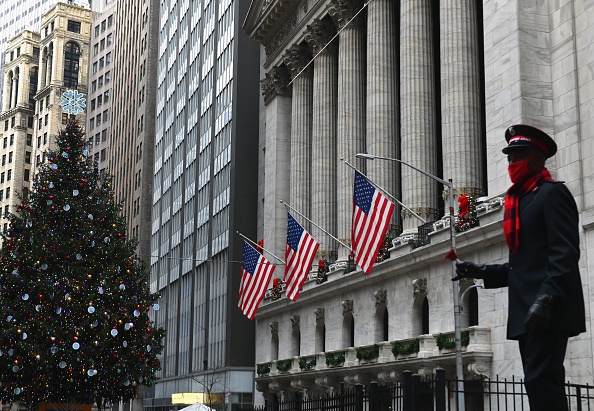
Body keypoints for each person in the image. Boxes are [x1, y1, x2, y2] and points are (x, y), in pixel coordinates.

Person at [453, 124, 585, 411]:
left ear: (538, 158)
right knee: (538, 381)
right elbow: (523, 267)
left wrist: (547, 299)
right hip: (529, 307)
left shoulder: (552, 194)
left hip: (547, 306)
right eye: (510, 158)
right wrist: (480, 270)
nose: (512, 163)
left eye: (519, 156)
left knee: (541, 380)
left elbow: (565, 253)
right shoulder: (520, 200)